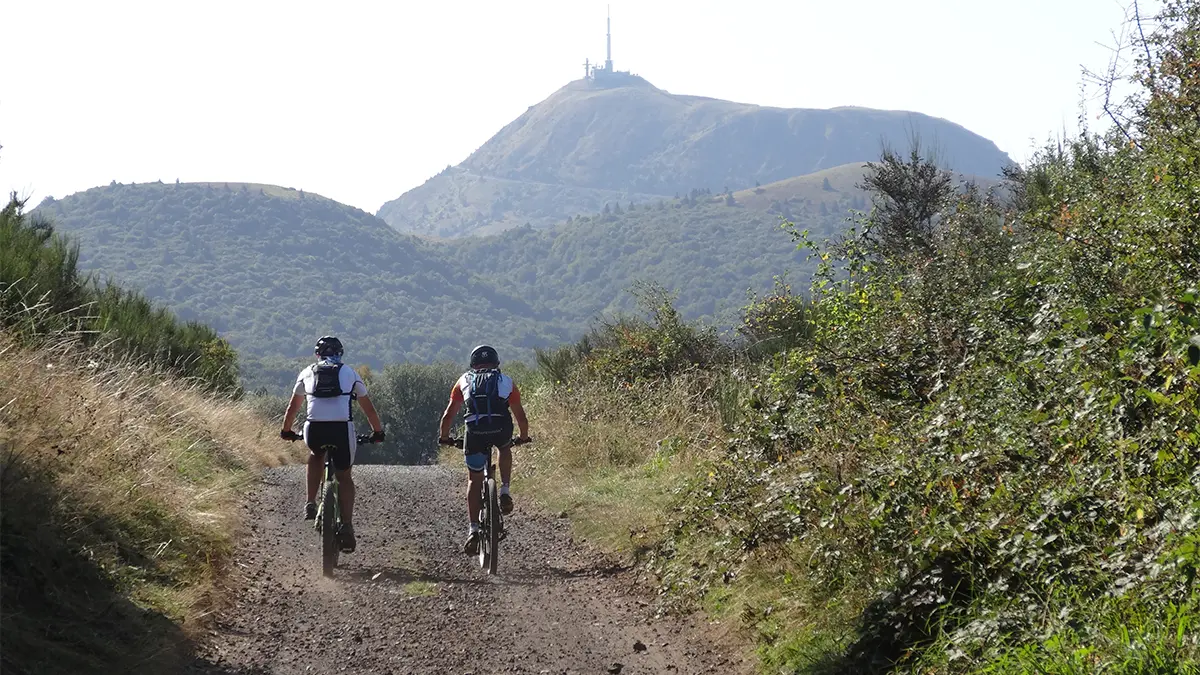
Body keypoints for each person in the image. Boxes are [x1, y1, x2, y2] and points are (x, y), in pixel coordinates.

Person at [281, 335, 384, 553]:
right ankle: (346, 525)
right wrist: (377, 432)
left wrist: (286, 430)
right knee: (344, 476)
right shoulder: (350, 373)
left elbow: (292, 408)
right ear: (340, 354)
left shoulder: (307, 372)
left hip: (314, 429)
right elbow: (369, 410)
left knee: (315, 453)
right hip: (341, 429)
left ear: (317, 355)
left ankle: (310, 502)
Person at [439, 345, 530, 554]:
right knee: (505, 447)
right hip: (500, 428)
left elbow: (448, 416)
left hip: (475, 431)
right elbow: (521, 418)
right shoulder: (506, 381)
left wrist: (445, 438)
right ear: (496, 363)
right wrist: (523, 437)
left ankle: (473, 530)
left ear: (473, 364)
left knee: (474, 478)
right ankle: (505, 490)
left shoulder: (463, 381)